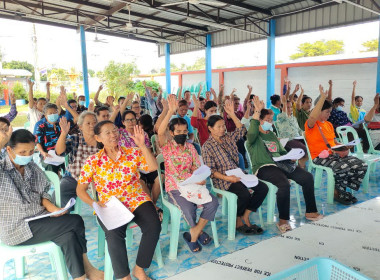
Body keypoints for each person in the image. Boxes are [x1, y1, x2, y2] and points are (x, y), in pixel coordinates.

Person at [0, 129, 103, 280]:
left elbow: (43, 191)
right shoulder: (3, 170)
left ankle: (79, 277)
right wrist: (1, 142)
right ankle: (88, 268)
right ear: (9, 149)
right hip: (17, 228)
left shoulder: (31, 166)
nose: (27, 156)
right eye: (22, 152)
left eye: (30, 152)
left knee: (68, 236)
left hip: (39, 218)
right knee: (75, 221)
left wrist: (51, 207)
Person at [77, 121, 160, 280]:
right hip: (109, 204)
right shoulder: (92, 161)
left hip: (136, 198)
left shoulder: (133, 152)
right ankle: (124, 276)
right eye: (107, 133)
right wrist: (94, 203)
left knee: (153, 224)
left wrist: (142, 146)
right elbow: (80, 190)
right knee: (114, 234)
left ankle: (140, 269)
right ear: (98, 138)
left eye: (115, 130)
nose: (113, 135)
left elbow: (152, 167)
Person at [247, 96, 322, 233]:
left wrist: (291, 157)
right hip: (265, 167)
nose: (270, 123)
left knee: (307, 177)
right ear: (259, 121)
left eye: (271, 120)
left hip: (281, 164)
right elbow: (251, 132)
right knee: (283, 184)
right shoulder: (254, 137)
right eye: (267, 120)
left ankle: (311, 211)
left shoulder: (271, 135)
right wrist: (256, 112)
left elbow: (281, 151)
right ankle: (283, 220)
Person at [158, 95, 218, 252]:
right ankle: (197, 232)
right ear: (171, 133)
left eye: (184, 131)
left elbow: (196, 167)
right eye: (178, 131)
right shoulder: (167, 146)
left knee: (213, 203)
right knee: (189, 208)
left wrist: (199, 177)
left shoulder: (191, 147)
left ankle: (193, 233)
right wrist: (170, 111)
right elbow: (160, 131)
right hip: (175, 186)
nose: (182, 134)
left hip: (193, 184)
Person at [202, 100, 268, 235]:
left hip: (238, 174)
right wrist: (228, 178)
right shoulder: (207, 146)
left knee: (262, 188)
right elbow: (211, 171)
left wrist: (232, 114)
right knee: (243, 193)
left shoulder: (228, 137)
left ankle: (246, 215)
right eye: (219, 127)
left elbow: (241, 129)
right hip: (223, 179)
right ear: (210, 128)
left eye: (223, 126)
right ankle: (238, 221)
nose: (223, 129)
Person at [305, 85, 368, 205]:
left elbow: (334, 141)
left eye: (330, 112)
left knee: (361, 165)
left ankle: (342, 189)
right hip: (319, 157)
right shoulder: (312, 124)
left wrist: (344, 146)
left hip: (334, 154)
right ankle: (338, 192)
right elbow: (313, 115)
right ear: (319, 111)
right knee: (342, 167)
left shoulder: (328, 124)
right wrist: (323, 97)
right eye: (327, 112)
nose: (329, 115)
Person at [118, 110, 161, 216]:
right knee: (140, 181)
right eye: (127, 120)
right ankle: (153, 208)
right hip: (131, 167)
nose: (131, 122)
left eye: (133, 119)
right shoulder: (120, 134)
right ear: (123, 122)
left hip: (144, 164)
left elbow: (149, 152)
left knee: (160, 177)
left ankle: (152, 204)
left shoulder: (143, 134)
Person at [55, 112, 98, 207]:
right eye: (88, 123)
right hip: (73, 178)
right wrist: (63, 134)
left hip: (97, 179)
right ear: (80, 126)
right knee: (60, 196)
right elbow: (59, 152)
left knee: (107, 198)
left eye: (94, 122)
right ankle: (63, 217)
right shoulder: (76, 138)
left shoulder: (101, 140)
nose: (92, 126)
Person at [276, 95, 308, 168]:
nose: (290, 109)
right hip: (288, 140)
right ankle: (301, 166)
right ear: (282, 108)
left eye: (290, 107)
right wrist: (284, 104)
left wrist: (304, 133)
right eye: (287, 107)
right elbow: (284, 114)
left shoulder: (293, 118)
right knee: (303, 149)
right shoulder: (280, 117)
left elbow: (299, 130)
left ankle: (302, 164)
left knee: (311, 145)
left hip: (298, 138)